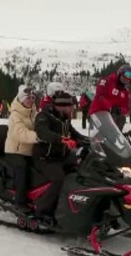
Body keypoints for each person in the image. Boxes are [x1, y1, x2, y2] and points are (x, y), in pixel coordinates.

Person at [33, 89, 89, 220]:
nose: (72, 109)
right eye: (70, 107)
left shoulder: (64, 119)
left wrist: (91, 141)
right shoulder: (43, 116)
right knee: (59, 179)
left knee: (84, 170)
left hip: (62, 156)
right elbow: (43, 132)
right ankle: (42, 211)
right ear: (61, 107)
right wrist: (61, 139)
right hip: (45, 159)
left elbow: (75, 135)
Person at [4, 85, 40, 213]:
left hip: (29, 150)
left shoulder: (33, 113)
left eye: (32, 97)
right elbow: (21, 133)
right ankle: (19, 201)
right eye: (27, 98)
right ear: (21, 99)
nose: (30, 100)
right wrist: (39, 137)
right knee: (22, 168)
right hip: (15, 151)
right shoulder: (15, 115)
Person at [89, 64, 131, 132]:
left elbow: (126, 108)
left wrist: (120, 110)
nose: (127, 79)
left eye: (130, 77)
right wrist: (110, 107)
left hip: (112, 119)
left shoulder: (125, 92)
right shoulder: (106, 81)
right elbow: (100, 96)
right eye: (126, 76)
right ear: (120, 73)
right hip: (98, 114)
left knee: (121, 119)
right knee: (99, 138)